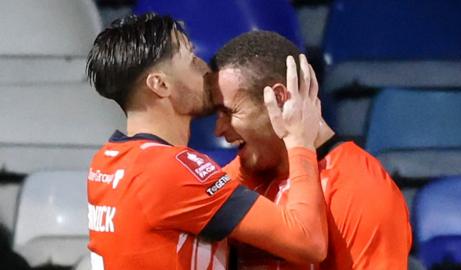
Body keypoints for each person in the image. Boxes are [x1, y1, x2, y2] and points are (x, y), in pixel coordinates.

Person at [85, 13, 330, 269]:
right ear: (160, 84)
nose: (205, 67)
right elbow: (308, 241)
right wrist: (299, 140)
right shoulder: (170, 170)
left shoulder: (106, 161)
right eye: (191, 60)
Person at [211, 30, 412, 269]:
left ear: (278, 99)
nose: (218, 130)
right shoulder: (246, 172)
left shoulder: (360, 188)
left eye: (229, 112)